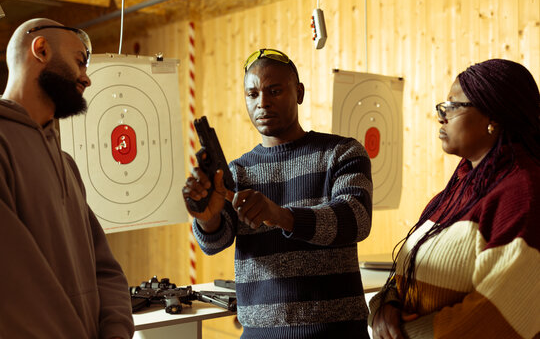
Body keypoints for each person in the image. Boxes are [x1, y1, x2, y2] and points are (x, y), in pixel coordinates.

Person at [183, 48, 373, 338]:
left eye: (274, 91)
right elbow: (214, 242)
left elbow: (356, 219)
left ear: (299, 92)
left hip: (337, 332)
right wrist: (207, 218)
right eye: (253, 94)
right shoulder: (236, 173)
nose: (263, 103)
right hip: (259, 333)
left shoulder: (342, 152)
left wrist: (281, 216)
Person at [369, 59, 540, 339]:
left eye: (453, 106)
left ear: (493, 117)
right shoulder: (455, 191)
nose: (441, 115)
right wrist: (385, 304)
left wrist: (405, 334)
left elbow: (497, 316)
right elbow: (404, 272)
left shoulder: (524, 193)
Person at [0, 18, 134, 338]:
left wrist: (115, 330)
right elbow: (13, 287)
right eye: (79, 61)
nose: (86, 78)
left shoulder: (67, 165)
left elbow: (105, 269)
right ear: (41, 50)